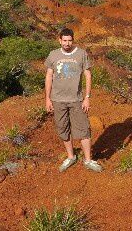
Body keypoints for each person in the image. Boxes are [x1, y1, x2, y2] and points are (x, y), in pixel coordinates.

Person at [44, 27, 103, 172]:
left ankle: (88, 160)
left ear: (73, 40)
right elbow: (49, 76)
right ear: (59, 40)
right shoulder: (53, 55)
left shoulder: (81, 54)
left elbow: (88, 75)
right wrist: (47, 98)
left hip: (77, 99)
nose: (67, 43)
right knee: (63, 128)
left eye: (70, 40)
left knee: (83, 129)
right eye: (64, 40)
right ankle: (71, 157)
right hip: (57, 99)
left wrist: (87, 97)